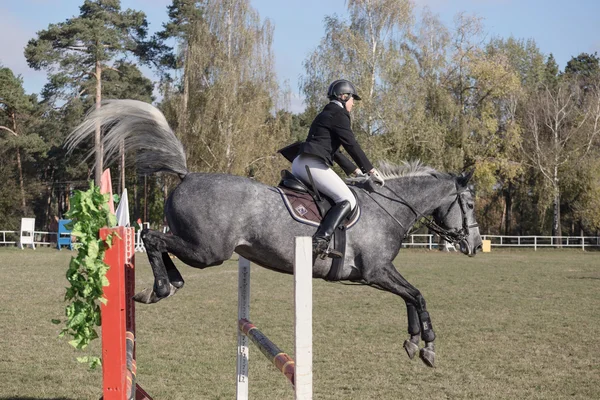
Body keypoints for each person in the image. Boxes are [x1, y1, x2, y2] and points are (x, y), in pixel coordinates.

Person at [292, 79, 385, 258]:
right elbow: (351, 144)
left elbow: (335, 152)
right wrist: (371, 170)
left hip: (300, 163)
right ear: (344, 96)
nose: (353, 104)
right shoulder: (339, 114)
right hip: (311, 165)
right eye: (352, 99)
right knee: (348, 199)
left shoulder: (326, 113)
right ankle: (320, 240)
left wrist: (356, 172)